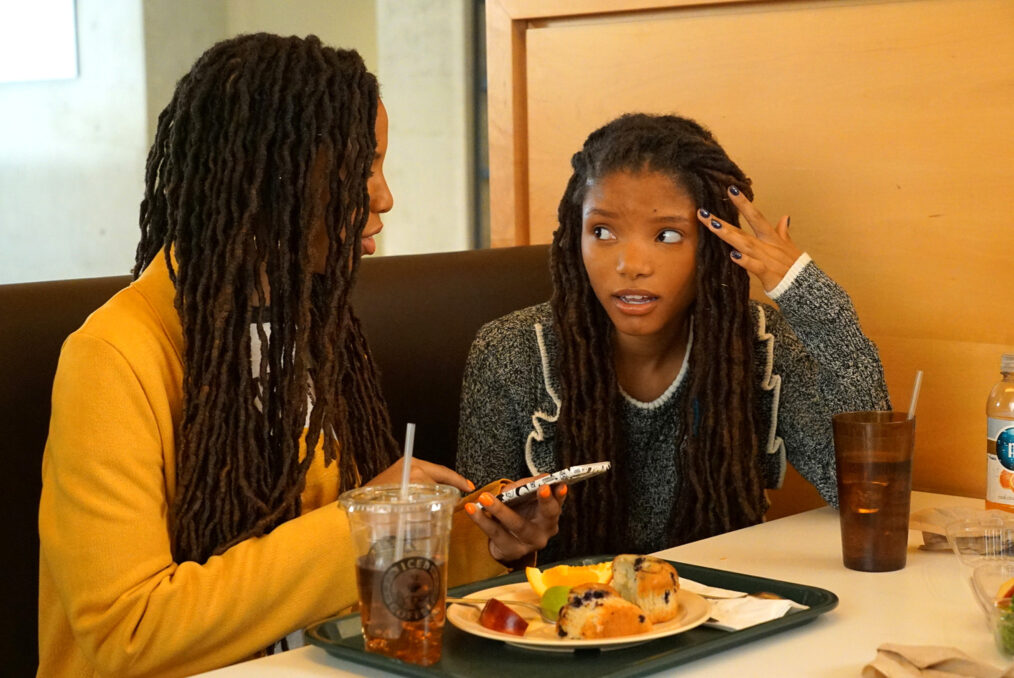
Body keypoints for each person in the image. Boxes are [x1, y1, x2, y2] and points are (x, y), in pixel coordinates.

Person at [38, 34, 562, 678]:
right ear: (271, 177)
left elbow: (322, 572)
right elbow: (130, 633)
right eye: (363, 167)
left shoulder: (312, 326)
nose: (384, 197)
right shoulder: (111, 357)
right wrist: (361, 520)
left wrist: (489, 542)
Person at [457, 113, 889, 561]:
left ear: (712, 245)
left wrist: (810, 296)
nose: (631, 265)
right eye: (602, 231)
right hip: (564, 602)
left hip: (726, 599)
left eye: (667, 235)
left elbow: (870, 489)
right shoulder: (509, 352)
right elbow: (468, 552)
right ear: (574, 236)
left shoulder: (758, 342)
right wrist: (504, 548)